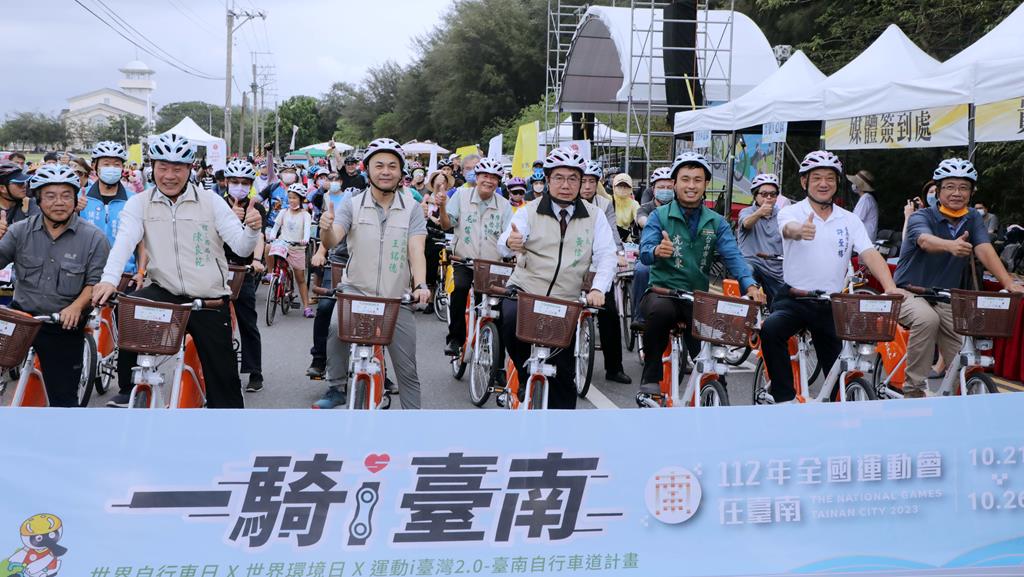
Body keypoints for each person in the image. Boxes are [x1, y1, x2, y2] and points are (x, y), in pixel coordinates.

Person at [92, 133, 263, 409]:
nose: (169, 175)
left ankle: (228, 432)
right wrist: (109, 280)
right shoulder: (139, 203)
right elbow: (124, 242)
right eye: (163, 167)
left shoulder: (211, 202)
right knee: (128, 309)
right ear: (152, 166)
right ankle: (129, 388)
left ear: (190, 168)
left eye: (177, 168)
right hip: (166, 292)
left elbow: (242, 248)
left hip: (209, 298)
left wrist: (253, 230)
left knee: (226, 392)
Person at [760, 150, 899, 404]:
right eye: (816, 178)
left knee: (840, 373)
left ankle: (836, 411)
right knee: (770, 330)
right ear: (805, 182)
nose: (824, 183)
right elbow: (788, 230)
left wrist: (890, 286)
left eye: (830, 178)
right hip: (794, 299)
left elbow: (869, 253)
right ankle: (783, 399)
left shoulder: (850, 219)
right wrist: (801, 231)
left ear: (836, 183)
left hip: (831, 303)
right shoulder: (791, 212)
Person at [635, 152, 764, 402]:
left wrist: (750, 285)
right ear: (674, 183)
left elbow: (733, 256)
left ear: (706, 184)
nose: (691, 186)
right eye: (685, 179)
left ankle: (714, 388)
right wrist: (655, 251)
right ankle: (650, 376)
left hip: (697, 298)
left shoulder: (716, 222)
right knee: (659, 313)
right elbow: (644, 252)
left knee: (711, 348)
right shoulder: (658, 216)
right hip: (663, 292)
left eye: (697, 180)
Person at [497, 148, 617, 410]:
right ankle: (524, 373)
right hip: (526, 290)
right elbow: (505, 243)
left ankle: (562, 440)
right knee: (507, 318)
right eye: (559, 177)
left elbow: (607, 255)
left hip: (566, 299)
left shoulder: (594, 216)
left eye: (573, 179)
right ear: (547, 180)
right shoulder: (528, 211)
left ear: (582, 182)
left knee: (564, 377)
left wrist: (598, 289)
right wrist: (510, 241)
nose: (566, 185)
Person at [316, 138, 431, 409]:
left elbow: (417, 250)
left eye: (392, 166)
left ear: (402, 172)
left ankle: (413, 433)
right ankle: (335, 386)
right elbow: (334, 239)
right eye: (379, 165)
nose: (386, 171)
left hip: (396, 297)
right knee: (334, 327)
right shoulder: (351, 204)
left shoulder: (413, 208)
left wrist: (421, 284)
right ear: (367, 169)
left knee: (408, 373)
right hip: (355, 292)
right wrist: (325, 227)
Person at [894, 158, 1023, 398]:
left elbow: (984, 248)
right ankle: (913, 389)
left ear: (972, 192)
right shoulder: (920, 217)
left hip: (944, 296)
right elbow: (925, 241)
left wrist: (1007, 282)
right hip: (908, 291)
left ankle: (958, 397)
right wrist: (950, 246)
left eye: (963, 187)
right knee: (926, 319)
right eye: (950, 186)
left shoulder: (973, 217)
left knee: (962, 352)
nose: (957, 193)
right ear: (939, 190)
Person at [0, 164, 110, 407]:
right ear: (38, 199)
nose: (58, 202)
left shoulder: (94, 238)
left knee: (63, 399)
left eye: (66, 195)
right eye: (50, 196)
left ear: (76, 199)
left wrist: (75, 307)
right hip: (22, 318)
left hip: (62, 323)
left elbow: (95, 282)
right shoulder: (19, 232)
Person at [437, 157, 513, 358]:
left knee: (496, 309)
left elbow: (508, 237)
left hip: (492, 265)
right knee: (460, 289)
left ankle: (497, 364)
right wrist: (443, 207)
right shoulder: (461, 196)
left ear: (499, 181)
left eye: (494, 178)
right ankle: (455, 339)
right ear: (476, 178)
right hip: (464, 260)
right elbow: (446, 225)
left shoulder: (504, 205)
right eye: (484, 176)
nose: (488, 181)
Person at [578, 160, 632, 384]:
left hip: (599, 267)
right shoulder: (568, 200)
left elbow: (612, 231)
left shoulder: (605, 203)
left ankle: (614, 368)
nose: (587, 186)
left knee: (610, 313)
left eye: (592, 181)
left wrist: (619, 253)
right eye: (584, 181)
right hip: (573, 267)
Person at [221, 158, 267, 392]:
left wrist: (257, 261)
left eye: (244, 182)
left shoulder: (256, 207)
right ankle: (218, 370)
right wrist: (229, 216)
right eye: (235, 181)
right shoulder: (217, 205)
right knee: (214, 322)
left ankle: (255, 372)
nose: (239, 186)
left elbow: (259, 237)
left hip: (243, 270)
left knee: (248, 322)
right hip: (217, 271)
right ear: (226, 182)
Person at [81, 141, 147, 290]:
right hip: (86, 277)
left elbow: (141, 242)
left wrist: (141, 272)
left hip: (125, 277)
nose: (111, 168)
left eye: (116, 164)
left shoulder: (133, 200)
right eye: (106, 164)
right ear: (94, 166)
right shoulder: (80, 198)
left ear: (123, 167)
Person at [630, 167, 674, 329]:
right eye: (661, 187)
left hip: (676, 254)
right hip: (649, 255)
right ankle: (640, 316)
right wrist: (653, 224)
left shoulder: (679, 207)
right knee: (642, 271)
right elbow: (641, 219)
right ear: (653, 189)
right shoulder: (645, 208)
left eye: (669, 187)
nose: (665, 191)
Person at [737, 173, 785, 306]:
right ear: (755, 195)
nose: (769, 198)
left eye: (773, 194)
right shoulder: (746, 212)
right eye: (764, 194)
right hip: (753, 264)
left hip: (776, 270)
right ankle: (748, 306)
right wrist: (759, 213)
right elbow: (746, 223)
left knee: (781, 307)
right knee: (746, 268)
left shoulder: (783, 215)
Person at [267, 183, 315, 317]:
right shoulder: (283, 212)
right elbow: (276, 227)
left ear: (300, 199)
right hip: (282, 245)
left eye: (294, 198)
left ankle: (306, 307)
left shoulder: (305, 215)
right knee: (268, 247)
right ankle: (271, 274)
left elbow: (306, 230)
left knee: (300, 279)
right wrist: (271, 236)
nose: (291, 200)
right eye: (290, 197)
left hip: (297, 247)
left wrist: (305, 239)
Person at [0, 162, 38, 229]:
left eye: (24, 182)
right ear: (2, 189)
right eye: (19, 183)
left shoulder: (30, 203)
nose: (24, 186)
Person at [848, 169, 879, 241]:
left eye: (856, 182)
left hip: (863, 240)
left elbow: (856, 220)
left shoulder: (866, 199)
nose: (853, 184)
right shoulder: (867, 198)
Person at [611, 173, 640, 241]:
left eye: (626, 186)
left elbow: (638, 216)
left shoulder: (634, 204)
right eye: (620, 186)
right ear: (614, 187)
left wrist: (642, 222)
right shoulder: (609, 200)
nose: (623, 189)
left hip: (625, 239)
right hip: (609, 238)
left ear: (631, 188)